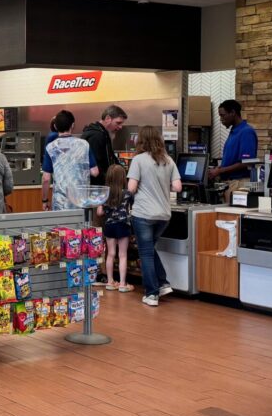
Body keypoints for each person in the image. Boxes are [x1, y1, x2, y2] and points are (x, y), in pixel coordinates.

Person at [128, 126, 182, 306]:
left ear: (140, 140)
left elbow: (131, 188)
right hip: (164, 215)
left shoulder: (138, 160)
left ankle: (152, 293)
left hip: (143, 213)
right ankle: (163, 283)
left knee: (145, 253)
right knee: (149, 249)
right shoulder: (168, 160)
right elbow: (177, 187)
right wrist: (161, 186)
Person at [41, 110, 98, 211]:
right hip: (81, 202)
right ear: (72, 125)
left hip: (60, 203)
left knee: (61, 227)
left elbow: (46, 178)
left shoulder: (51, 147)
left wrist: (45, 200)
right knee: (82, 226)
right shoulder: (84, 144)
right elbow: (95, 172)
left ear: (56, 127)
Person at [209, 99, 258, 199]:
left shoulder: (246, 132)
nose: (221, 119)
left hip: (239, 184)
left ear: (233, 113)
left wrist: (220, 171)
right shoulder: (233, 132)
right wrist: (218, 169)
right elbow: (231, 160)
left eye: (223, 115)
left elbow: (246, 162)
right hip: (230, 184)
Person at [96, 164, 134, 292]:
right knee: (122, 255)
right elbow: (133, 207)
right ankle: (123, 284)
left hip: (109, 226)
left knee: (111, 254)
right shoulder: (127, 193)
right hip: (123, 225)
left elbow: (99, 212)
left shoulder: (104, 194)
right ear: (123, 178)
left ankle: (110, 281)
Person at [82, 105, 127, 186]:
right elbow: (96, 165)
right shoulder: (96, 136)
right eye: (118, 123)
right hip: (97, 189)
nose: (120, 127)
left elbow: (112, 158)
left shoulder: (103, 134)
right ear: (107, 118)